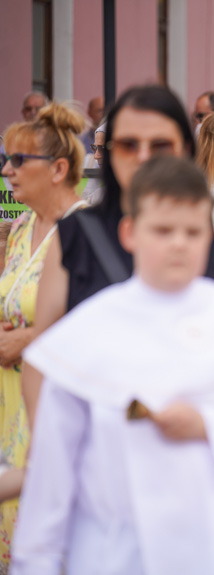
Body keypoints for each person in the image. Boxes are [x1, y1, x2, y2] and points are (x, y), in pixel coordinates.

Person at [13, 156, 214, 575]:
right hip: (115, 548)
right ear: (130, 233)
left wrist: (208, 425)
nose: (179, 243)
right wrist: (35, 562)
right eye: (163, 231)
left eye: (192, 232)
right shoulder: (88, 332)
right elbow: (53, 471)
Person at [28, 85, 214, 429]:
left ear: (184, 149)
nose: (143, 156)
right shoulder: (76, 235)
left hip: (204, 456)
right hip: (100, 456)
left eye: (160, 145)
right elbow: (44, 359)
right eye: (127, 145)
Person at [0, 103, 90, 565]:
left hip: (52, 397)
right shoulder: (21, 229)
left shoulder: (85, 232)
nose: (7, 170)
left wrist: (29, 338)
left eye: (19, 160)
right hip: (8, 394)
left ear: (58, 169)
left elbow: (95, 327)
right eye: (6, 158)